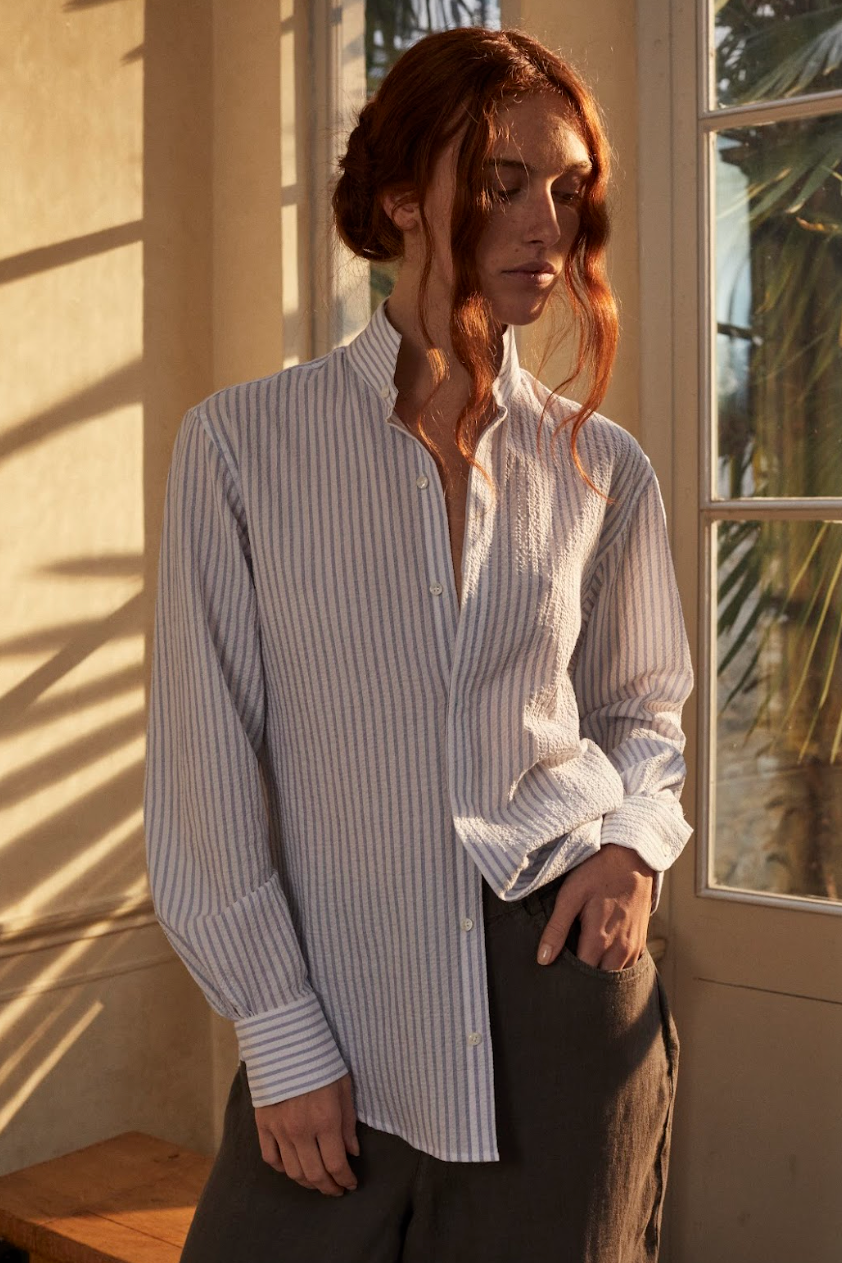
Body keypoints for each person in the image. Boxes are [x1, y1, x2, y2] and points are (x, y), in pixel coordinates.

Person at [143, 24, 693, 1263]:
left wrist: (631, 846)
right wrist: (280, 1039)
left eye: (565, 189)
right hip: (335, 1010)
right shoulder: (240, 452)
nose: (546, 223)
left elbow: (641, 709)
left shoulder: (603, 468)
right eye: (503, 183)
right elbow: (204, 771)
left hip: (563, 1017)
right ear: (402, 198)